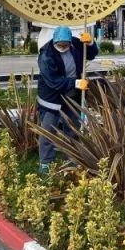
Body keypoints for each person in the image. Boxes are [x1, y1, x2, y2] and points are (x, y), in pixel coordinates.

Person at [37, 26, 98, 173]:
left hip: (72, 95)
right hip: (52, 98)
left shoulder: (76, 44)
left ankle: (71, 158)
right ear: (55, 42)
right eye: (60, 45)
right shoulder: (46, 55)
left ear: (70, 41)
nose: (63, 47)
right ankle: (46, 162)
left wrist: (90, 43)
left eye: (65, 44)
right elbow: (53, 82)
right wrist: (76, 82)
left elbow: (91, 54)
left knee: (72, 128)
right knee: (48, 131)